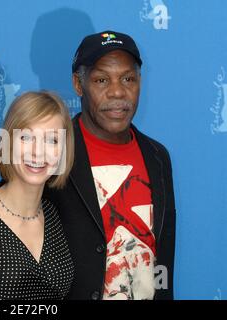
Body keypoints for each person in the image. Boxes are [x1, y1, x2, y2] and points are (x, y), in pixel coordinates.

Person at [44, 30, 176, 300]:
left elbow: (162, 259)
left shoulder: (158, 157)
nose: (117, 91)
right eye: (101, 80)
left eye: (128, 78)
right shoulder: (51, 151)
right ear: (78, 85)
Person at [0, 91, 75, 299]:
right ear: (8, 141)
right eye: (27, 137)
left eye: (52, 141)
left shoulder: (52, 215)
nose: (38, 152)